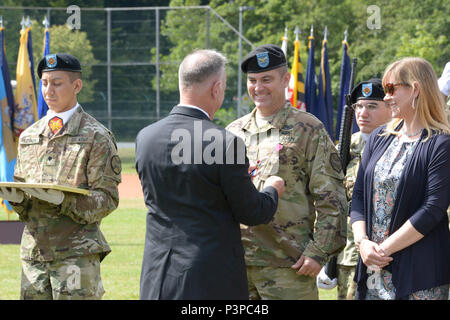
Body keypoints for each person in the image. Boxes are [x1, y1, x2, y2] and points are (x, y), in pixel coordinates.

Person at [136, 49, 285, 300]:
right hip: (208, 277)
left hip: (157, 272)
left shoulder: (146, 137)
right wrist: (272, 188)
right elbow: (252, 212)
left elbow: (182, 187)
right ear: (216, 88)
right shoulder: (225, 142)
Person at [226, 44, 347, 300]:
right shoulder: (233, 132)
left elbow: (331, 197)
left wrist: (319, 251)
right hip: (236, 266)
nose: (258, 88)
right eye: (252, 80)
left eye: (266, 79)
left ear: (286, 80)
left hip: (288, 267)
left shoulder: (308, 129)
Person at [0, 53, 121, 299]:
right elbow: (24, 193)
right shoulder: (29, 136)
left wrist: (63, 201)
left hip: (76, 256)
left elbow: (107, 199)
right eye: (44, 83)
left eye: (57, 83)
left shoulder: (96, 136)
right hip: (34, 256)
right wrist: (16, 198)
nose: (48, 91)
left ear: (76, 85)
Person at [351, 57, 450, 300]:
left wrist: (383, 250)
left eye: (391, 89)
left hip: (419, 276)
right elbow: (359, 198)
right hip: (372, 268)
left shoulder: (441, 144)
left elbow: (433, 209)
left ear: (415, 89)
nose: (386, 97)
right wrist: (363, 243)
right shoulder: (378, 138)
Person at [317, 79, 392, 299]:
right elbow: (328, 200)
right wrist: (324, 254)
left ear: (390, 107)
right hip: (348, 254)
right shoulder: (344, 147)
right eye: (358, 106)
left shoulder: (401, 144)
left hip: (387, 251)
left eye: (371, 106)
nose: (363, 113)